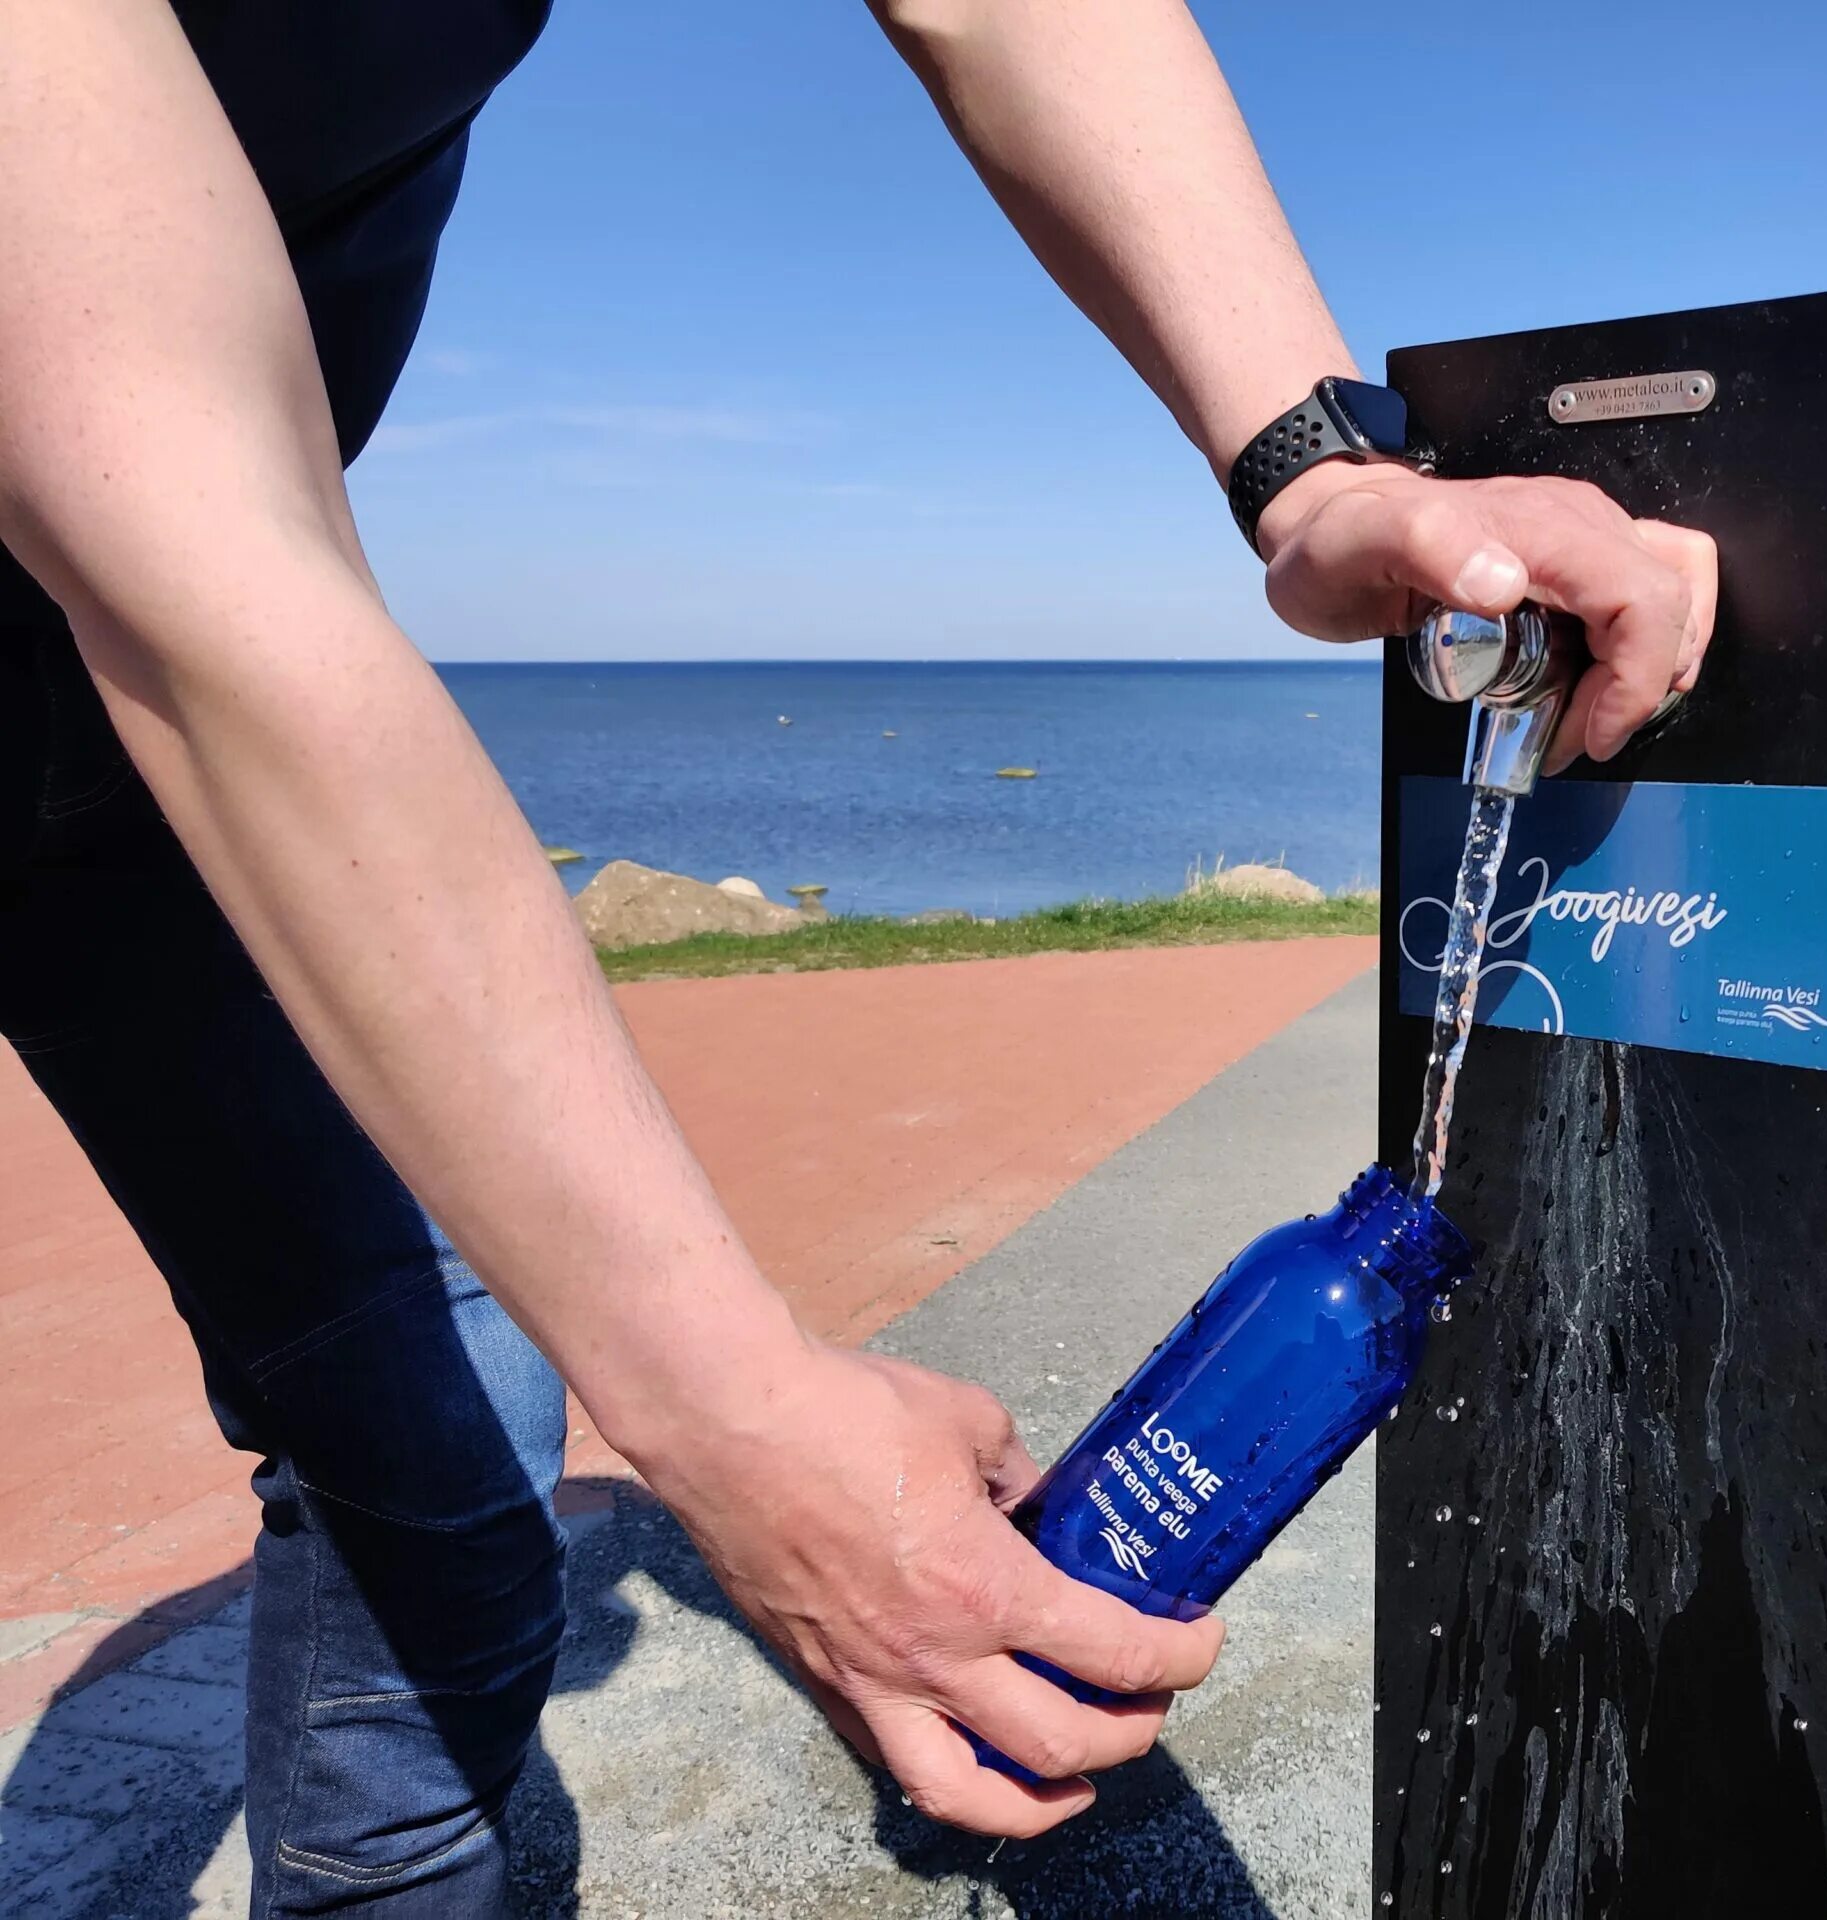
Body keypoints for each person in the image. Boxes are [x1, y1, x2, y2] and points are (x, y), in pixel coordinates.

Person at [0, 0, 1717, 1908]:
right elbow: (198, 574)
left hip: (119, 698)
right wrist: (739, 1426)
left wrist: (1312, 469)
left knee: (448, 1424)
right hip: (149, 630)